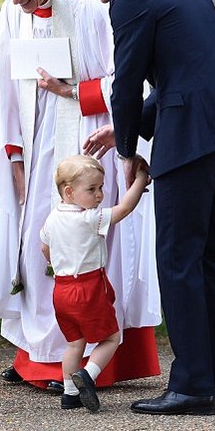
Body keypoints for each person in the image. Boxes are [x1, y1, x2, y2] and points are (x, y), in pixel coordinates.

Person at [66, 0, 215, 416]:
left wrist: (125, 150)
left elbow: (127, 81)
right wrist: (127, 128)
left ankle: (193, 387)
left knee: (177, 258)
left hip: (192, 137)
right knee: (208, 258)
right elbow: (183, 72)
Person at [0, 0, 161, 395]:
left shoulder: (92, 7)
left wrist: (73, 92)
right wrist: (13, 154)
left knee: (93, 243)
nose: (14, 0)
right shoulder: (11, 13)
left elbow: (127, 76)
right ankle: (36, 357)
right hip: (35, 138)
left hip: (88, 135)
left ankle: (101, 362)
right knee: (36, 246)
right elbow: (3, 83)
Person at [40, 154, 150, 413]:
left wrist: (59, 264)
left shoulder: (52, 218)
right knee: (112, 338)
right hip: (88, 288)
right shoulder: (89, 218)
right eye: (91, 189)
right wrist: (141, 179)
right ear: (69, 191)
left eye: (101, 187)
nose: (99, 195)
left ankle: (70, 394)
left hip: (61, 290)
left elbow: (45, 248)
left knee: (74, 344)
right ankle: (88, 374)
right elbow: (124, 209)